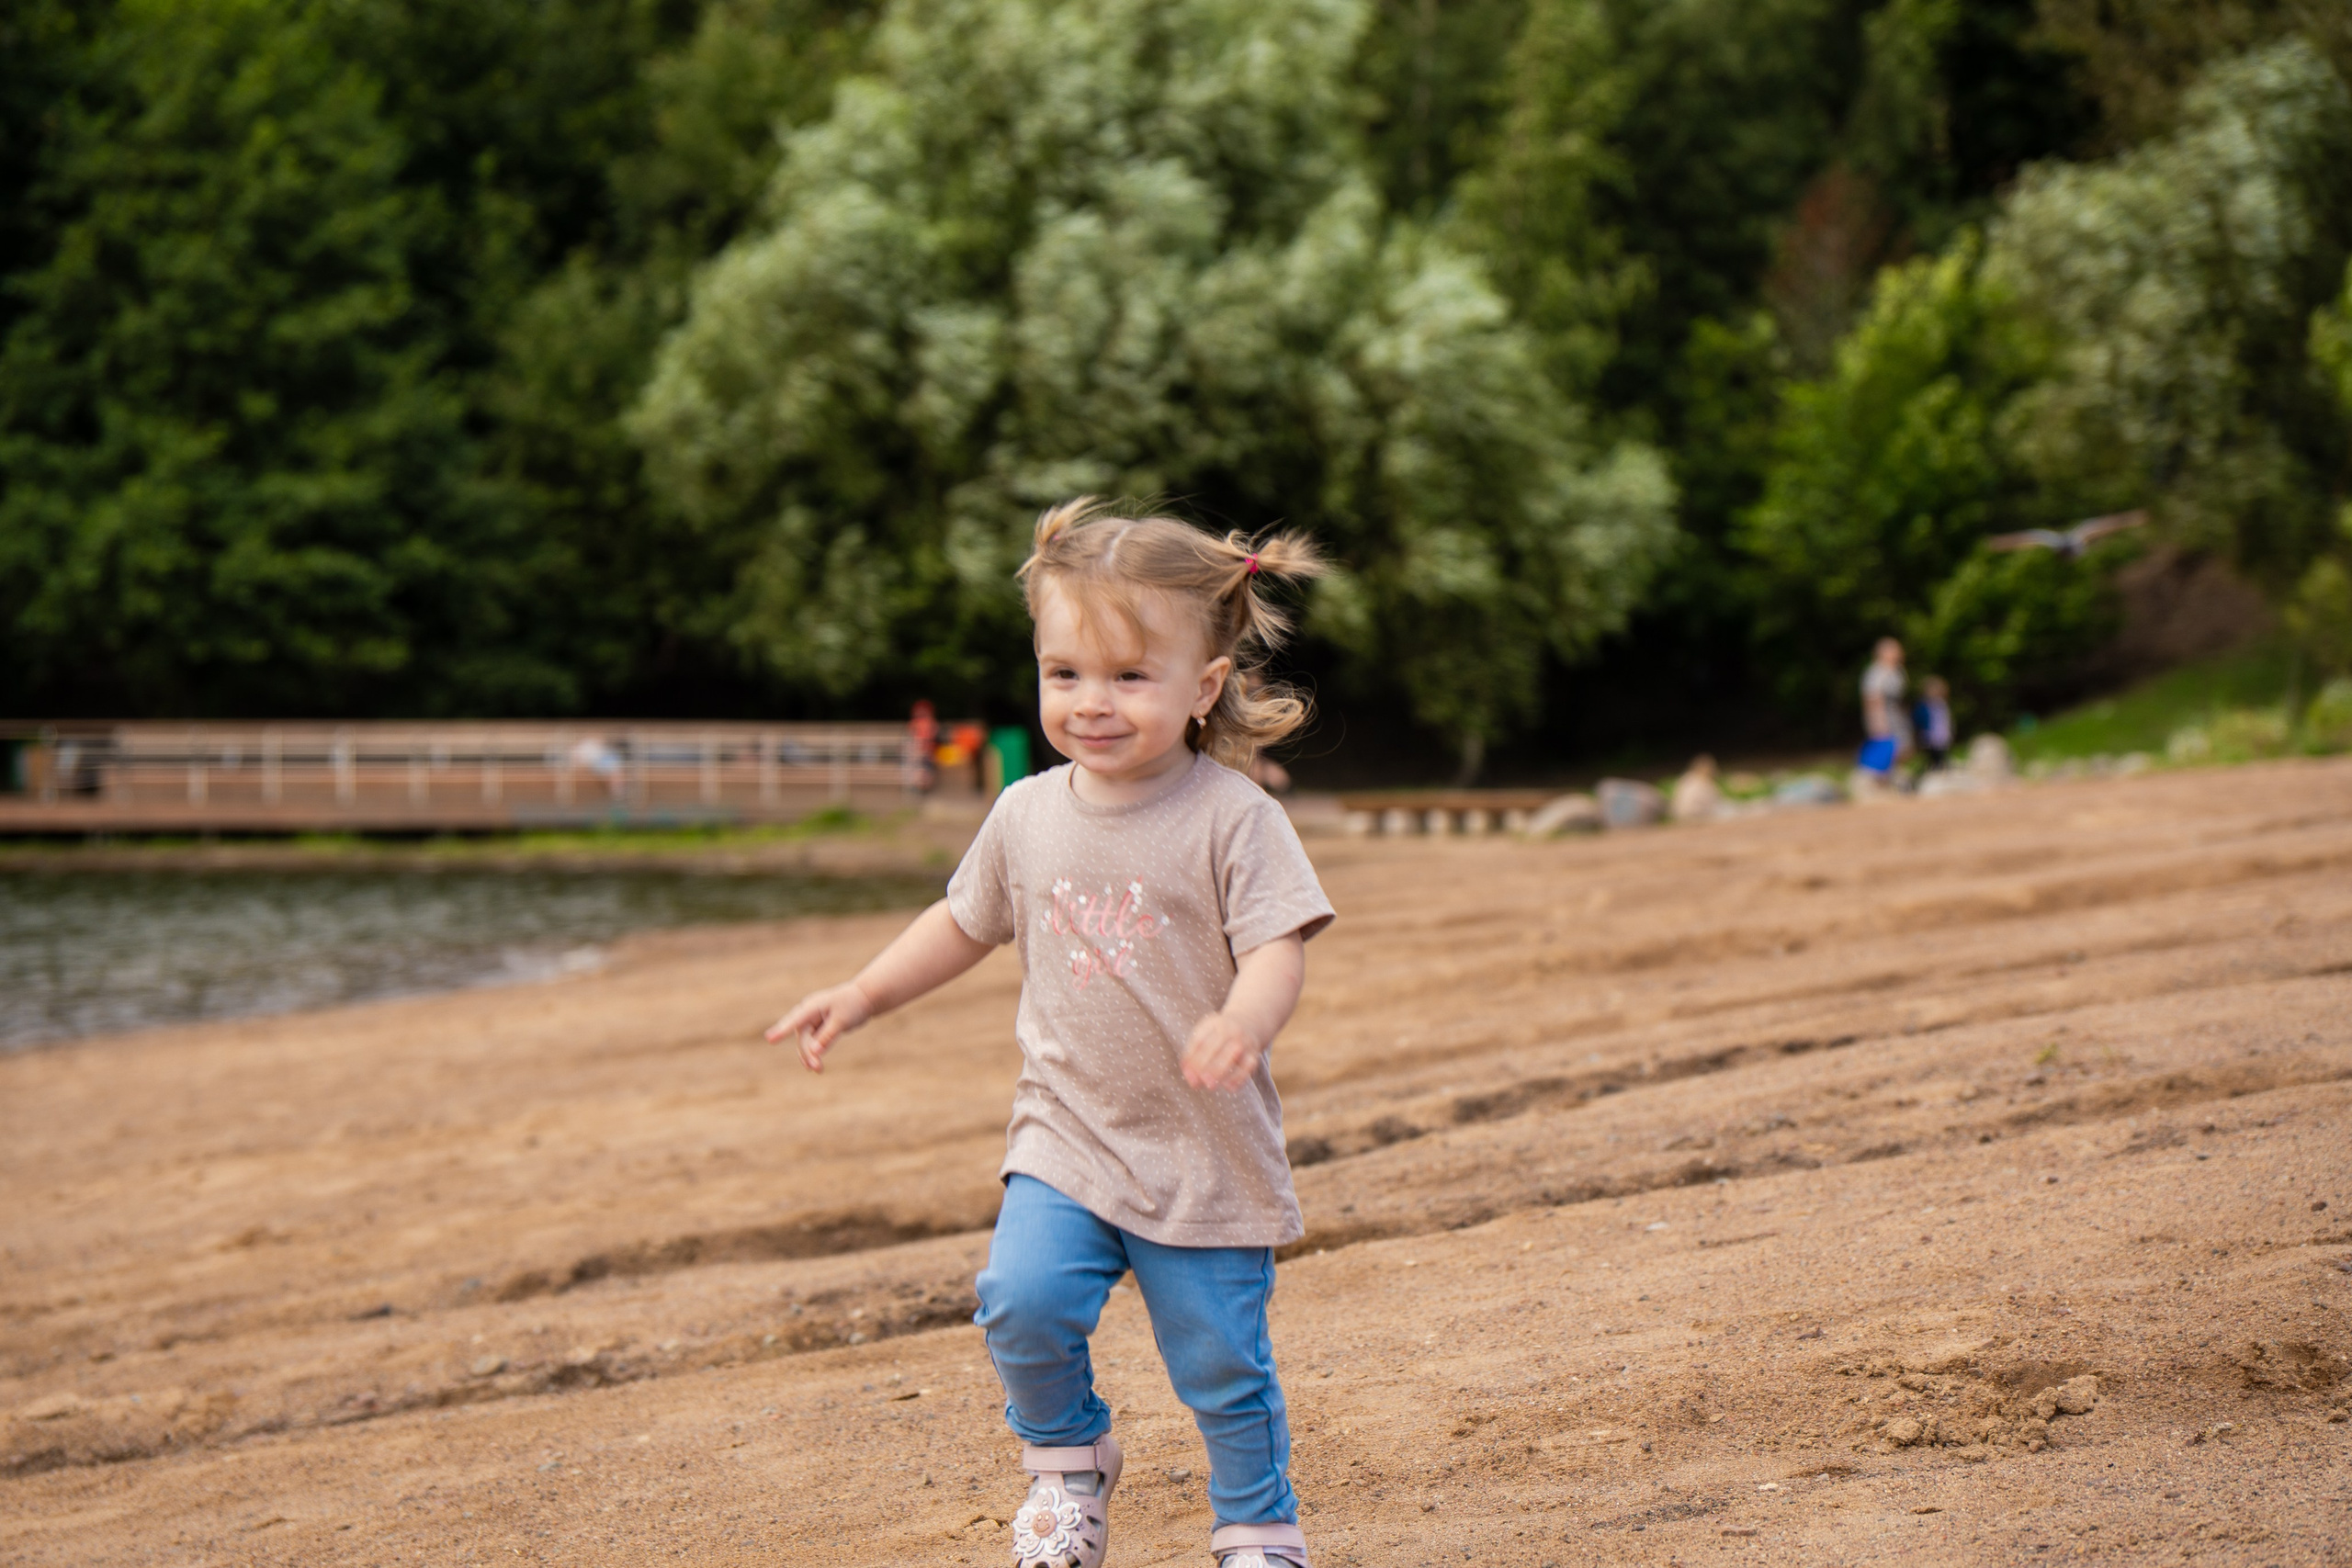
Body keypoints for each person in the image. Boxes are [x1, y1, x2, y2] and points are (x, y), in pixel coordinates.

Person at [766, 500, 1332, 1568]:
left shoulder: (1233, 817)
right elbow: (963, 922)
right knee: (1019, 1302)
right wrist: (860, 994)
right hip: (1065, 1137)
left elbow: (1278, 949)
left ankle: (1258, 1527)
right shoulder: (1025, 812)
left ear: (1202, 686)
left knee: (1219, 1361)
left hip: (1201, 1151)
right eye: (1064, 673)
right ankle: (1069, 1467)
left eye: (1128, 676)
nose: (1092, 703)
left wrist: (1243, 1022)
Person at [1858, 637, 1910, 779]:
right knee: (1886, 745)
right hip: (1882, 714)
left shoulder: (1897, 671)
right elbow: (1872, 698)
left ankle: (1890, 775)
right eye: (1895, 650)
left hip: (1896, 713)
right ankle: (1877, 776)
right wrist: (1878, 721)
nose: (1899, 653)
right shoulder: (1877, 672)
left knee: (1904, 747)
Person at [1913, 676, 1954, 771]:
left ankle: (1939, 769)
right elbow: (1919, 719)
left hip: (1942, 735)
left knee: (1941, 754)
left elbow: (1946, 720)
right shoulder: (1924, 705)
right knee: (1932, 756)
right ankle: (1931, 770)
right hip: (1929, 735)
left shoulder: (1943, 705)